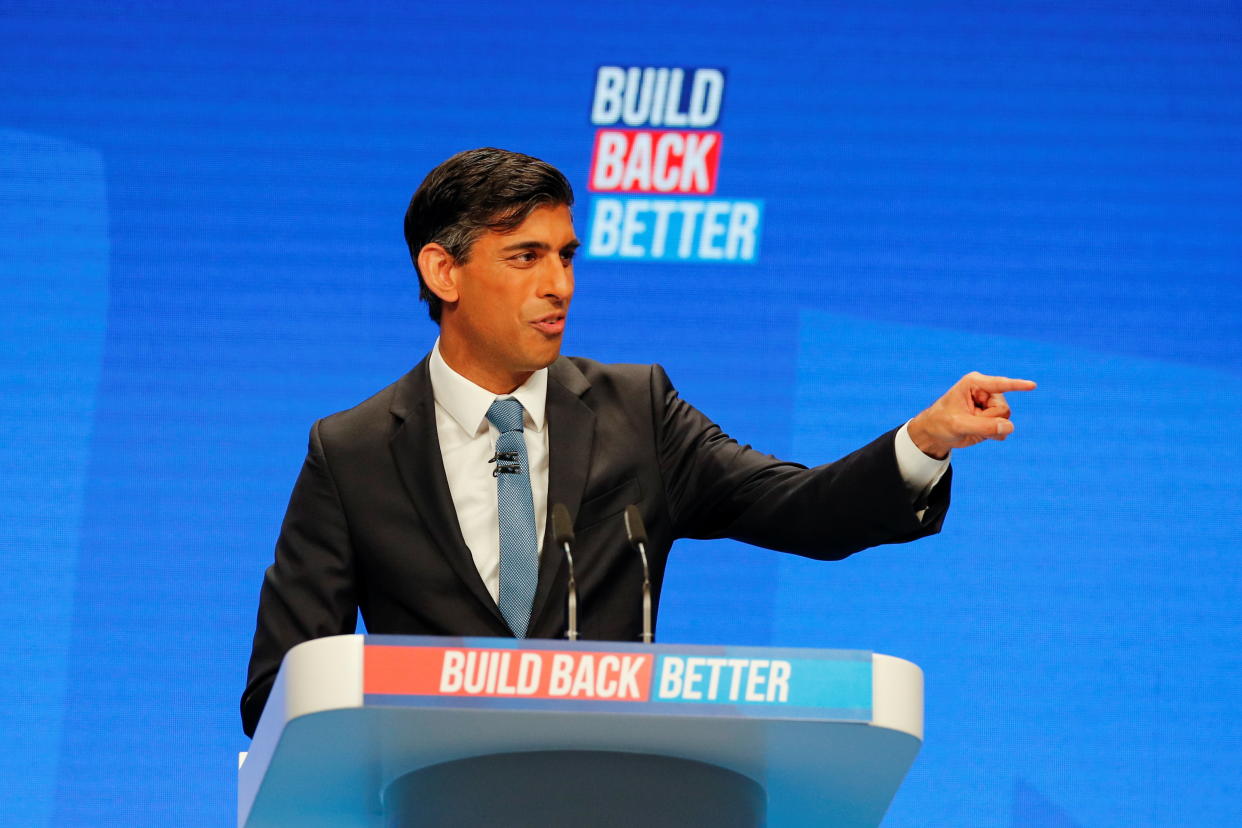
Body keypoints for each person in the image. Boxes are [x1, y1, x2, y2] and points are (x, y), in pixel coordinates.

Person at [241, 147, 1035, 737]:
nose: (560, 284)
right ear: (443, 272)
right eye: (525, 257)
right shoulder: (351, 452)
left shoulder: (636, 411)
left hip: (616, 794)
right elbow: (280, 690)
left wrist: (922, 442)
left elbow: (803, 510)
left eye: (565, 255)